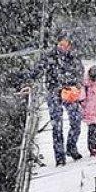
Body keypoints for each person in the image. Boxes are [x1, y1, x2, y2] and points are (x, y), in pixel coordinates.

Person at [18, 30, 84, 166]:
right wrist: (28, 83)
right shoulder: (50, 56)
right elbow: (37, 70)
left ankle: (71, 147)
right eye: (61, 43)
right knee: (57, 126)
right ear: (58, 43)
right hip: (54, 92)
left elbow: (80, 71)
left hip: (70, 92)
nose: (64, 46)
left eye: (66, 43)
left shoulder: (74, 56)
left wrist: (78, 83)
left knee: (76, 122)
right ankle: (60, 158)